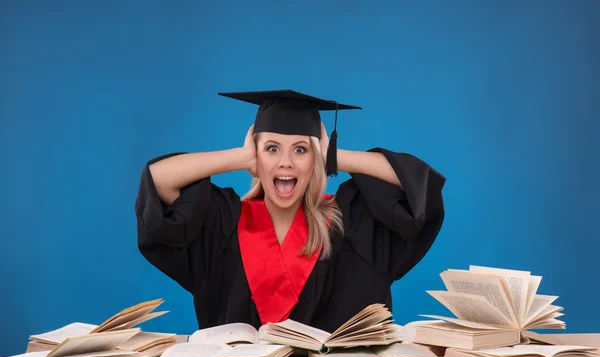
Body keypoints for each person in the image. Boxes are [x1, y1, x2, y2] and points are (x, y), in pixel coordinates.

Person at [135, 89, 446, 333]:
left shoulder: (351, 224)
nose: (285, 162)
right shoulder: (221, 224)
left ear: (316, 160)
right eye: (272, 148)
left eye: (301, 149)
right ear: (256, 158)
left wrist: (335, 156)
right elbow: (157, 180)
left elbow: (420, 188)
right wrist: (240, 157)